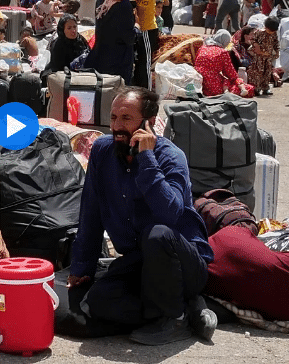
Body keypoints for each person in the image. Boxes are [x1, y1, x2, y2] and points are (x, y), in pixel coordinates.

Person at [68, 86, 216, 345]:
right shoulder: (103, 151)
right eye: (114, 117)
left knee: (157, 234)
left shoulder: (171, 157)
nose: (117, 126)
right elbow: (91, 212)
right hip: (139, 262)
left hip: (182, 265)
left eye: (126, 118)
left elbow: (170, 214)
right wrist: (83, 267)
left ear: (149, 123)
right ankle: (186, 309)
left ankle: (173, 319)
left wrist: (146, 158)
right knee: (98, 302)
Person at [83, 0, 139, 84]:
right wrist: (137, 26)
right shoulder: (122, 4)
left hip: (101, 57)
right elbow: (129, 37)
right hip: (118, 62)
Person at [194, 29, 251, 97]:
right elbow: (230, 73)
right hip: (212, 85)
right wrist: (238, 80)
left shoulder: (203, 48)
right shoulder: (222, 52)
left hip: (198, 82)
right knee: (248, 88)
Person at [134, 0, 159, 89]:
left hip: (146, 30)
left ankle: (146, 92)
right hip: (137, 29)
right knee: (138, 63)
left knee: (144, 63)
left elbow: (139, 12)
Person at [247, 15, 280, 96]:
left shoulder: (274, 34)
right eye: (270, 30)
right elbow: (252, 40)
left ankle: (265, 88)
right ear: (266, 27)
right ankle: (256, 88)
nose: (271, 32)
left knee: (267, 72)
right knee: (258, 72)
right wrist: (256, 45)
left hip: (268, 57)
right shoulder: (259, 32)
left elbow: (276, 43)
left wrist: (277, 52)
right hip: (259, 57)